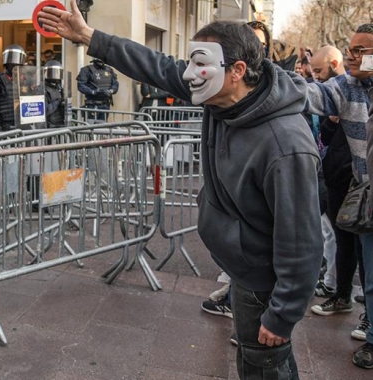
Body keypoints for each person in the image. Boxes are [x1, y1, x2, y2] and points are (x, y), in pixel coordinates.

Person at [39, 3, 323, 378]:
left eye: (198, 63)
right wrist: (90, 36)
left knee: (265, 365)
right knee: (258, 362)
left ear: (237, 70)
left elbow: (302, 240)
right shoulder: (219, 94)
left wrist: (283, 314)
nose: (188, 73)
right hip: (244, 271)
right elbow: (156, 65)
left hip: (263, 283)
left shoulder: (285, 145)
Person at [306, 24, 373, 369]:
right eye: (351, 48)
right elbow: (306, 93)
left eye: (362, 50)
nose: (352, 54)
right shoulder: (345, 87)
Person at [0, 44, 27, 131]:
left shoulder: (22, 81)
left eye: (19, 65)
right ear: (7, 64)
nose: (17, 67)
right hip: (5, 124)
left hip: (21, 122)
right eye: (14, 65)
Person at [77, 58, 118, 123]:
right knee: (91, 128)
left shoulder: (109, 70)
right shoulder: (87, 70)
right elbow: (81, 85)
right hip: (92, 105)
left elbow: (115, 84)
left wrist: (111, 91)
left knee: (102, 129)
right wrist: (92, 92)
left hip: (105, 105)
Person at [44, 60, 66, 128]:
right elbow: (45, 110)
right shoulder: (43, 89)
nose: (57, 76)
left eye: (58, 73)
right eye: (54, 73)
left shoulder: (58, 87)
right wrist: (58, 101)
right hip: (50, 125)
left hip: (60, 123)